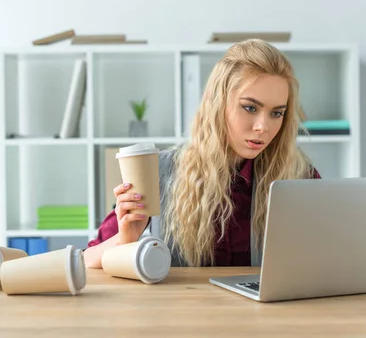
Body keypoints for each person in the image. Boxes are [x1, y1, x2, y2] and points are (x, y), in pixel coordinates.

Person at [83, 39, 320, 268]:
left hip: (266, 309)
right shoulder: (160, 172)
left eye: (276, 113)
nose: (263, 126)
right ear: (218, 104)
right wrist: (127, 239)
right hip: (180, 308)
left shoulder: (299, 177)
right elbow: (87, 258)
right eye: (250, 108)